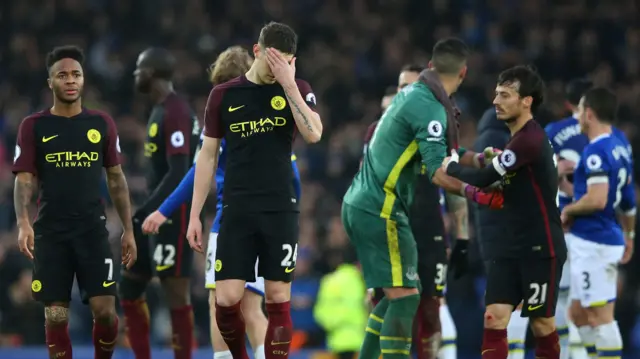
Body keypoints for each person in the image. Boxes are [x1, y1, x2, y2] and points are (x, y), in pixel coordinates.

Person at [342, 37, 504, 359]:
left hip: (369, 205)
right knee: (406, 299)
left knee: (395, 298)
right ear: (464, 73)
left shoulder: (416, 98)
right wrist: (477, 194)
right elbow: (439, 174)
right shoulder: (430, 108)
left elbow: (448, 157)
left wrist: (478, 160)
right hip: (382, 208)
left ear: (430, 68)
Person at [142, 45, 302, 359]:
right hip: (271, 217)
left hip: (232, 220)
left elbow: (197, 170)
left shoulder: (222, 114)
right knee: (254, 308)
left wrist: (164, 211)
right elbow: (291, 169)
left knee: (221, 302)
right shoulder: (268, 116)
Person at [186, 22, 322, 359]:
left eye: (286, 63)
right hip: (236, 207)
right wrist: (194, 215)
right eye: (274, 62)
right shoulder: (224, 95)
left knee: (277, 295)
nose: (278, 70)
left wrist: (289, 85)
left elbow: (314, 134)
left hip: (280, 206)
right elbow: (206, 156)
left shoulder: (295, 87)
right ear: (257, 51)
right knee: (226, 298)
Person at [12, 45, 137, 359]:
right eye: (62, 75)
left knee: (106, 312)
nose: (70, 80)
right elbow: (24, 179)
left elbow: (117, 180)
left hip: (92, 231)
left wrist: (128, 230)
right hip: (51, 232)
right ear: (50, 82)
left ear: (83, 80)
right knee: (56, 315)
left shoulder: (101, 124)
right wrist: (23, 222)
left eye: (76, 74)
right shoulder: (34, 126)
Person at [443, 65, 566, 359]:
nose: (496, 101)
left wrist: (450, 166)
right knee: (494, 317)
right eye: (497, 94)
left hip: (540, 246)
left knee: (541, 323)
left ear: (527, 101)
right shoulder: (515, 141)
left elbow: (486, 178)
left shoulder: (530, 139)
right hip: (510, 245)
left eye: (505, 95)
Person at [364, 63, 462, 359]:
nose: (403, 93)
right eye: (401, 87)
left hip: (429, 232)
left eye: (410, 87)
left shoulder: (439, 125)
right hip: (390, 232)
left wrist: (463, 236)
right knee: (389, 310)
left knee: (431, 312)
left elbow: (454, 182)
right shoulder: (378, 131)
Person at [119, 47, 200, 359]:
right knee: (129, 288)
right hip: (152, 212)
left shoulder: (176, 111)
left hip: (172, 217)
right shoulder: (160, 110)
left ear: (151, 74)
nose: (135, 75)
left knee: (175, 293)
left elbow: (180, 171)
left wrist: (151, 210)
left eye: (139, 69)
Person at [544, 79, 634, 359]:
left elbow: (597, 199)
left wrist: (568, 210)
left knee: (599, 314)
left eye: (580, 110)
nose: (577, 116)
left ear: (590, 113)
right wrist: (630, 235)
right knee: (579, 311)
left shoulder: (596, 151)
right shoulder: (620, 145)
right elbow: (628, 199)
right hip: (604, 236)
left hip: (595, 238)